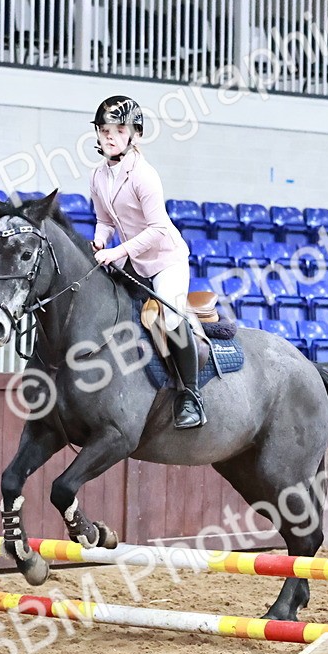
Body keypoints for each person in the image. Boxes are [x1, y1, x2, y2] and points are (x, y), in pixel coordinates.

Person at [88, 95, 205, 429]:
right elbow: (105, 220)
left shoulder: (144, 175)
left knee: (169, 318)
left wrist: (116, 252)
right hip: (134, 262)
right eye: (104, 129)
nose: (109, 136)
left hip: (166, 260)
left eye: (118, 129)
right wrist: (101, 238)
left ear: (133, 135)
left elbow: (157, 229)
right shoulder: (98, 176)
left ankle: (191, 396)